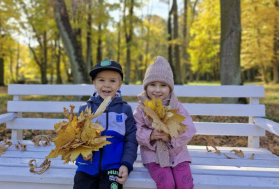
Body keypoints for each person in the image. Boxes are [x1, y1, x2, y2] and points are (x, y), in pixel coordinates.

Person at [133, 56, 197, 189]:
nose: (157, 90)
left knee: (185, 184)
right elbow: (135, 129)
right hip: (153, 155)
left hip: (178, 154)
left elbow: (189, 129)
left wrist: (171, 136)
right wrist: (150, 135)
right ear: (146, 87)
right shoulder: (142, 108)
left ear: (170, 88)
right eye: (152, 85)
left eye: (163, 85)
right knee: (166, 183)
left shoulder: (176, 106)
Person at [73, 59, 138, 189]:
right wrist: (82, 152)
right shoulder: (85, 109)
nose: (106, 85)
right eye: (101, 80)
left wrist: (126, 164)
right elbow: (75, 138)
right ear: (94, 83)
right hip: (86, 166)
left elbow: (131, 140)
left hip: (113, 166)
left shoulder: (124, 110)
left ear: (119, 85)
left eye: (112, 81)